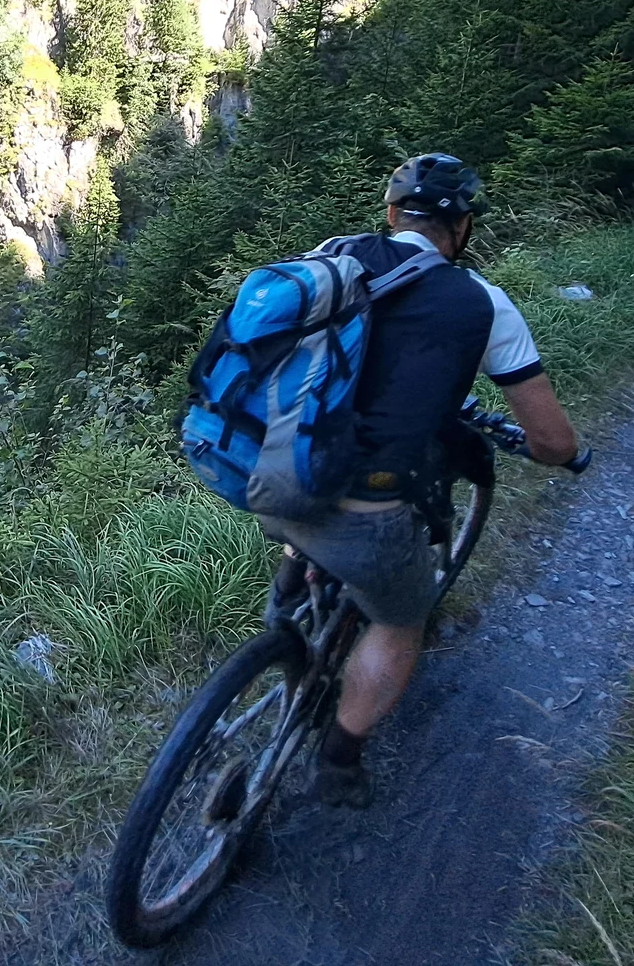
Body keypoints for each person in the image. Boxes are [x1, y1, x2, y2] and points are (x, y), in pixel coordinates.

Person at [255, 153, 586, 809]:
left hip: (266, 471)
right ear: (463, 228)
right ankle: (340, 759)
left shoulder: (330, 258)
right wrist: (561, 455)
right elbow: (551, 440)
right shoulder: (483, 304)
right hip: (367, 507)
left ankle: (293, 586)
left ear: (390, 213)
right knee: (403, 618)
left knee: (317, 508)